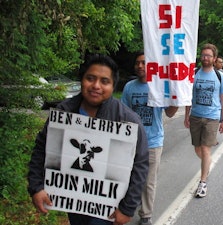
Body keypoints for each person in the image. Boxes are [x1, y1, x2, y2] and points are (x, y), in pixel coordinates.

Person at [27, 54, 149, 225]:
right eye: (90, 78)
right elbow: (42, 148)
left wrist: (128, 208)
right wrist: (36, 187)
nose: (96, 86)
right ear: (82, 80)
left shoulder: (128, 121)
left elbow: (140, 164)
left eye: (104, 81)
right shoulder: (64, 112)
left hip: (108, 209)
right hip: (73, 203)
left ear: (113, 86)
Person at [121, 51, 178, 225]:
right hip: (132, 141)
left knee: (148, 181)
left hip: (153, 141)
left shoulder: (159, 87)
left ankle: (145, 215)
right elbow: (124, 113)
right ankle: (132, 201)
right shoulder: (129, 87)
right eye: (137, 63)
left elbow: (169, 113)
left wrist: (175, 101)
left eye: (143, 62)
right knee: (130, 177)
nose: (139, 66)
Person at [184, 43, 223, 198]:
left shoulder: (220, 76)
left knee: (205, 149)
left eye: (208, 56)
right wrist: (186, 115)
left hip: (212, 117)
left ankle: (202, 183)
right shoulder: (194, 74)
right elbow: (189, 97)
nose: (205, 58)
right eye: (203, 55)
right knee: (197, 149)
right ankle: (207, 164)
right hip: (195, 115)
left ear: (214, 58)